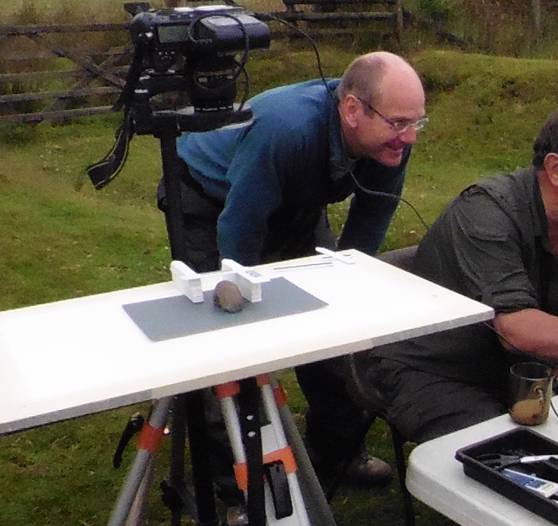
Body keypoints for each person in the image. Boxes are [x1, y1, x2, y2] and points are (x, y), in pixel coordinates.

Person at [163, 51, 426, 492]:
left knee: (331, 323)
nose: (410, 136)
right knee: (223, 335)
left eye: (416, 122)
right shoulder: (288, 128)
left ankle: (336, 454)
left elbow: (370, 221)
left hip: (296, 199)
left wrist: (343, 283)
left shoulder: (392, 143)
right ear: (352, 110)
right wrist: (240, 293)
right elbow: (240, 225)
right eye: (399, 123)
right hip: (210, 197)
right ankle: (232, 475)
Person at [366, 102, 558, 442]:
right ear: (556, 168)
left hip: (527, 372)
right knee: (507, 456)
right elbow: (516, 329)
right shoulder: (486, 212)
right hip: (438, 370)